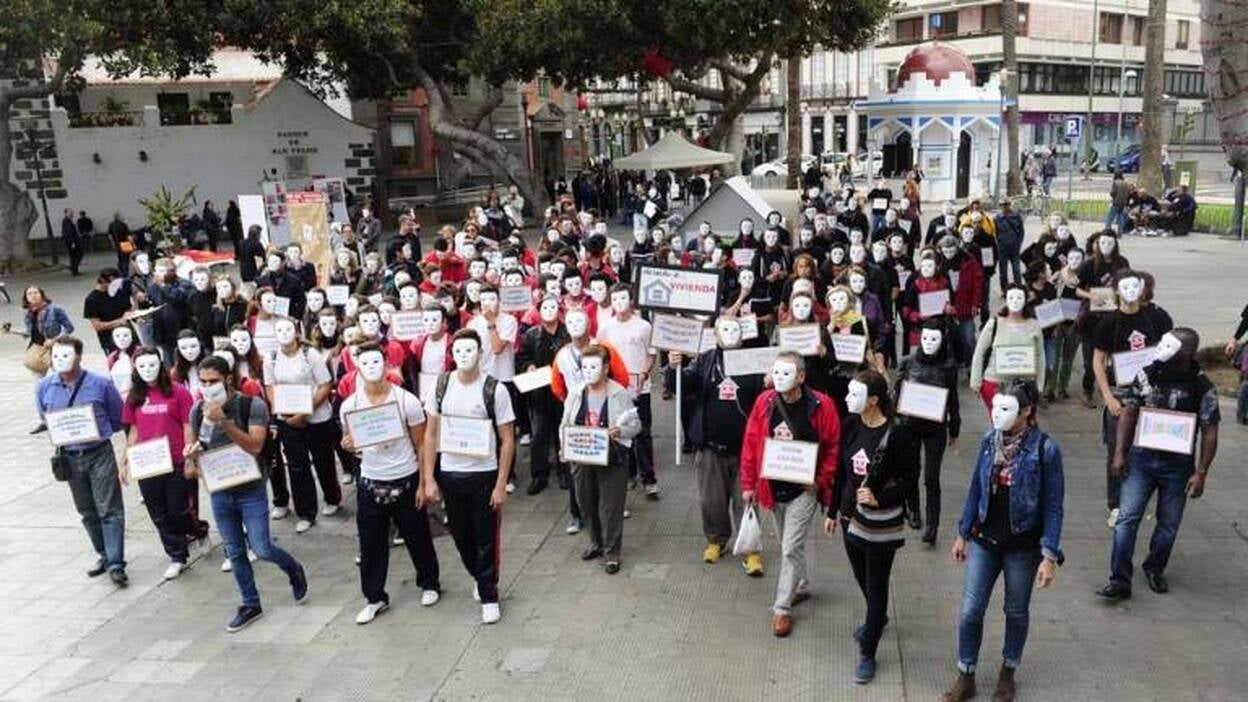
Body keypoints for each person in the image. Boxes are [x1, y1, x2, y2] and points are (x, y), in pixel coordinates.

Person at [943, 381, 1064, 702]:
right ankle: (965, 674)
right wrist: (963, 532)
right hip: (985, 539)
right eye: (995, 406)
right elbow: (975, 488)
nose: (996, 414)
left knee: (1016, 611)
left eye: (1006, 408)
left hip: (1022, 547)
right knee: (970, 611)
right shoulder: (988, 440)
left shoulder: (1046, 450)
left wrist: (1049, 555)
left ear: (1027, 411)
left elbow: (1053, 505)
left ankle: (1008, 672)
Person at [186, 356, 308, 632]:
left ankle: (293, 568)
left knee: (262, 547)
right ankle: (250, 602)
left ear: (227, 379)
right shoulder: (197, 411)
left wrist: (225, 423)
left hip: (250, 489)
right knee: (235, 551)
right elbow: (196, 451)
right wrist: (192, 457)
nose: (207, 387)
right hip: (220, 492)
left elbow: (255, 446)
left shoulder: (251, 405)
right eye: (203, 382)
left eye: (213, 381)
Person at [1096, 329, 1219, 600]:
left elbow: (1210, 430)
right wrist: (1119, 453)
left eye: (1170, 345)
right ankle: (1119, 580)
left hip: (1177, 466)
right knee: (1126, 519)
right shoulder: (1147, 373)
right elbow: (1129, 413)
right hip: (1141, 460)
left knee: (1168, 525)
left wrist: (1201, 472)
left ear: (1186, 354)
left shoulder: (1202, 387)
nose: (1161, 349)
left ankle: (1155, 567)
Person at [739, 351, 841, 638]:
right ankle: (802, 583)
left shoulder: (823, 405)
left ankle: (782, 609)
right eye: (776, 372)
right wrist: (748, 484)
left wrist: (820, 481)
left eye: (787, 373)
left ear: (801, 377)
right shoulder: (764, 402)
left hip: (803, 491)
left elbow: (833, 447)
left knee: (788, 548)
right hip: (772, 489)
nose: (779, 378)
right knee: (789, 544)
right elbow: (750, 444)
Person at [824, 371, 917, 684]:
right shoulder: (850, 425)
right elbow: (840, 473)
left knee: (877, 586)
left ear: (874, 400)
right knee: (861, 577)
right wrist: (833, 510)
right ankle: (876, 618)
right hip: (851, 518)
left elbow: (909, 480)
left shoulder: (898, 435)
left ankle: (868, 650)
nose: (847, 399)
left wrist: (881, 496)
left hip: (880, 525)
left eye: (855, 394)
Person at [340, 342, 442, 624]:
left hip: (406, 476)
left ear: (386, 364)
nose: (372, 368)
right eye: (365, 362)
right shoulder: (351, 405)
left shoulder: (405, 400)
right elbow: (351, 441)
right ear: (356, 365)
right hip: (371, 481)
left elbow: (422, 443)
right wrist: (348, 444)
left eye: (377, 362)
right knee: (371, 543)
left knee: (417, 535)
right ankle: (374, 597)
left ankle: (430, 582)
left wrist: (424, 482)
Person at [421, 329, 516, 624]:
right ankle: (479, 575)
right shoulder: (441, 385)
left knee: (486, 536)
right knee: (461, 536)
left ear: (480, 353)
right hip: (451, 474)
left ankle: (489, 594)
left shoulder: (494, 390)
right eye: (458, 351)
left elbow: (508, 439)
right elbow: (431, 434)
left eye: (470, 350)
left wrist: (501, 484)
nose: (464, 356)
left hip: (484, 473)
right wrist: (428, 478)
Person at [670, 317, 767, 573]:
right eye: (725, 329)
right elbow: (681, 386)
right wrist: (674, 368)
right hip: (711, 446)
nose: (730, 333)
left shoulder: (753, 361)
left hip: (746, 450)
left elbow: (766, 399)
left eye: (735, 329)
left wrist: (771, 382)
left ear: (742, 334)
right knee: (711, 500)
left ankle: (751, 550)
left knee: (747, 501)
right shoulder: (705, 361)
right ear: (716, 334)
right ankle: (716, 540)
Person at [36, 337, 127, 585]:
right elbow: (44, 417)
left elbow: (118, 418)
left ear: (78, 357)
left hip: (99, 452)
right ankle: (103, 555)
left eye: (65, 355)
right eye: (55, 355)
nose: (59, 360)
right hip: (69, 456)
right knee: (86, 511)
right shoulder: (44, 387)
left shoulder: (101, 384)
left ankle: (116, 562)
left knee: (109, 508)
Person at [1091, 270, 1172, 527]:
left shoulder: (1156, 317)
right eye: (1124, 286)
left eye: (1134, 286)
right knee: (1118, 449)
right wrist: (1107, 396)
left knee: (1148, 449)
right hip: (1120, 393)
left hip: (1150, 393)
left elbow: (1167, 349)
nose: (1130, 291)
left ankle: (1138, 500)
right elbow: (1098, 361)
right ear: (1116, 290)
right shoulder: (1108, 322)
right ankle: (1115, 504)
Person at [559, 344, 642, 575]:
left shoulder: (619, 393)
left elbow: (636, 426)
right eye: (584, 367)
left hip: (612, 460)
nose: (588, 371)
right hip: (581, 458)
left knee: (610, 507)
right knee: (585, 503)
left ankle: (612, 552)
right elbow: (565, 423)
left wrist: (620, 431)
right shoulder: (575, 393)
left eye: (594, 366)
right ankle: (596, 542)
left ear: (606, 368)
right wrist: (564, 446)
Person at [120, 348, 196, 580]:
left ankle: (194, 530)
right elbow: (132, 431)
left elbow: (188, 425)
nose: (147, 371)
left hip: (174, 461)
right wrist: (125, 461)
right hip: (147, 463)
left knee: (177, 510)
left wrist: (190, 457)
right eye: (141, 366)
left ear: (160, 365)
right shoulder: (133, 397)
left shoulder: (179, 392)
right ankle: (176, 555)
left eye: (151, 365)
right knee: (158, 513)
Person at [262, 317, 342, 532]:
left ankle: (332, 498)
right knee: (298, 466)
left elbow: (325, 385)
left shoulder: (310, 355)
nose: (284, 333)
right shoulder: (270, 359)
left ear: (297, 332)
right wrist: (284, 411)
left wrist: (306, 411)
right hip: (287, 419)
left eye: (289, 329)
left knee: (323, 460)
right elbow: (270, 388)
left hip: (316, 418)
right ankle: (306, 512)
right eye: (280, 330)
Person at [895, 321, 961, 543]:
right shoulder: (908, 362)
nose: (929, 343)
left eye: (934, 339)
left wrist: (955, 427)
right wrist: (896, 419)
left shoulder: (949, 366)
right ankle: (914, 511)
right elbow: (897, 393)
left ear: (942, 340)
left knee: (931, 478)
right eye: (925, 338)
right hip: (910, 425)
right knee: (910, 471)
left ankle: (932, 525)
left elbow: (953, 399)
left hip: (936, 428)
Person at [596, 284, 659, 499]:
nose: (619, 303)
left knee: (643, 432)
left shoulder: (644, 326)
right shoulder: (605, 328)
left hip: (640, 387)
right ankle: (629, 474)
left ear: (631, 300)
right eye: (615, 299)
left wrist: (644, 373)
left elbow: (651, 354)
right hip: (615, 389)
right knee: (620, 430)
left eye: (623, 298)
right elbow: (600, 356)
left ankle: (649, 478)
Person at [515, 297, 568, 495]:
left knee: (561, 433)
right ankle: (539, 475)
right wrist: (527, 366)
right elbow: (521, 357)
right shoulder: (530, 335)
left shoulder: (567, 332)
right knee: (538, 435)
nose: (549, 310)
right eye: (545, 307)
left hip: (562, 392)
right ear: (538, 311)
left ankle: (565, 471)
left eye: (553, 307)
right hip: (539, 392)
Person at [971, 285, 1046, 410]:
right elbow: (979, 352)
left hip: (1025, 386)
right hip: (994, 383)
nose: (1015, 301)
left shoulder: (1034, 325)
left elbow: (1040, 356)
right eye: (1011, 297)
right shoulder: (994, 323)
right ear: (1005, 299)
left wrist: (1039, 385)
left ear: (1026, 300)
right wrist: (976, 381)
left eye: (1019, 297)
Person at [21, 285, 74, 378]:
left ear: (42, 295)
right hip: (39, 349)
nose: (33, 295)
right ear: (26, 298)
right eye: (29, 294)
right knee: (40, 383)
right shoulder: (28, 313)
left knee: (60, 378)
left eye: (35, 292)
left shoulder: (55, 309)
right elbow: (30, 332)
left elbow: (69, 328)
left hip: (57, 348)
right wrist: (11, 331)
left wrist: (55, 340)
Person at [83, 268, 132, 355]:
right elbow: (97, 326)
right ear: (102, 281)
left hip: (129, 335)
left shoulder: (118, 292)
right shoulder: (92, 300)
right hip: (110, 340)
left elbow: (128, 308)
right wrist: (118, 322)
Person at [994, 200, 1025, 292]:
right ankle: (1004, 289)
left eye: (1006, 205)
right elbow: (995, 233)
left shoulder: (1016, 216)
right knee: (1003, 271)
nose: (1004, 207)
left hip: (1014, 248)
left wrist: (1018, 243)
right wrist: (999, 244)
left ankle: (1019, 288)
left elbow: (1021, 231)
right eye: (1002, 205)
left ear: (1009, 205)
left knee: (1016, 270)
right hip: (1002, 248)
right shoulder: (997, 218)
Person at [62, 209, 84, 276]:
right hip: (71, 241)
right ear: (66, 213)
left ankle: (74, 269)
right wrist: (72, 242)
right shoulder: (66, 221)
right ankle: (74, 269)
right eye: (70, 213)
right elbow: (69, 232)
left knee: (75, 256)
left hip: (73, 241)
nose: (72, 214)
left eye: (72, 212)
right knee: (78, 254)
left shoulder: (69, 220)